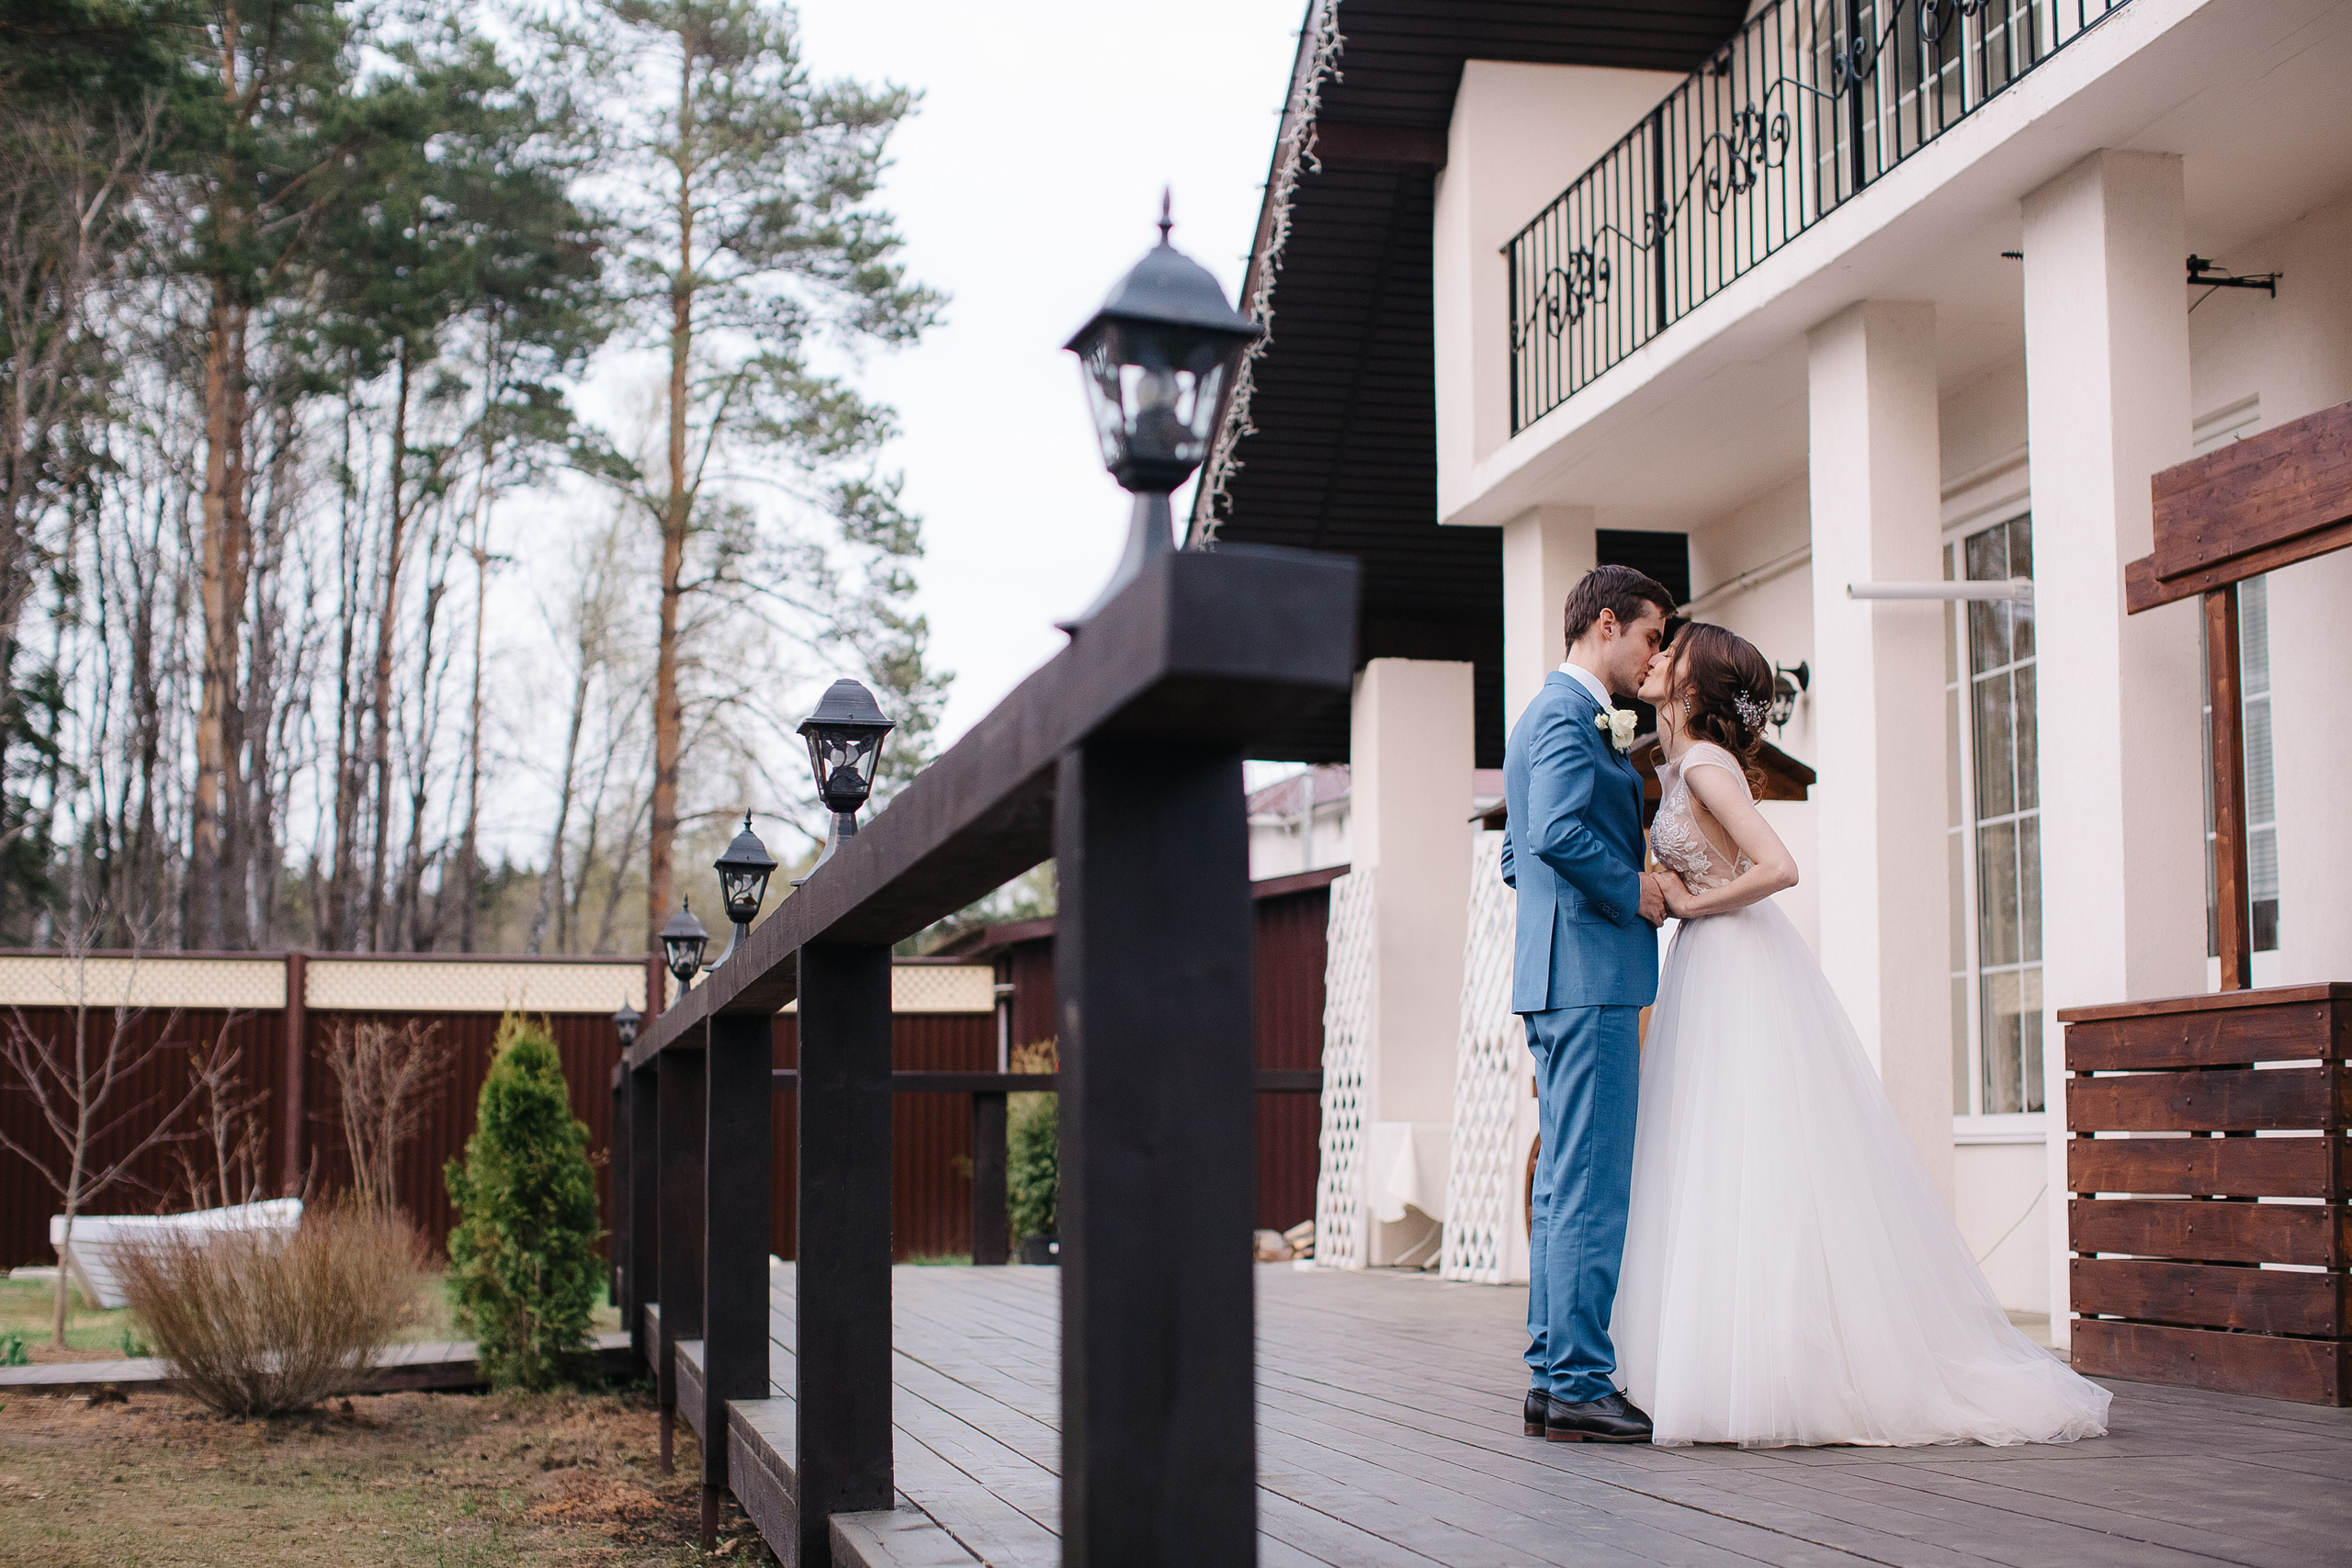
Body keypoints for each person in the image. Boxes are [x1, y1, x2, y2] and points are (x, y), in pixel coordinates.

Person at [1614, 621, 2110, 1448]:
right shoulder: (1677, 766)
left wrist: (1691, 903)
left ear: (1696, 686)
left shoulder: (1705, 763)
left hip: (1736, 960)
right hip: (1708, 964)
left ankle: (1770, 1368)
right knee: (1711, 1156)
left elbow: (1777, 866)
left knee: (1753, 1157)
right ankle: (1717, 1359)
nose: (1658, 657)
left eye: (1674, 651)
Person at [1499, 564, 1675, 1444]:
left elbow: (1514, 857)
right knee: (1592, 1186)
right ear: (1606, 623)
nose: (1655, 657)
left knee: (1563, 1182)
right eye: (1651, 636)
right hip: (1591, 977)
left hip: (1553, 974)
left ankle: (1549, 1373)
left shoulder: (1536, 717)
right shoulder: (1571, 714)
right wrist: (1634, 890)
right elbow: (1557, 832)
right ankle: (1578, 1379)